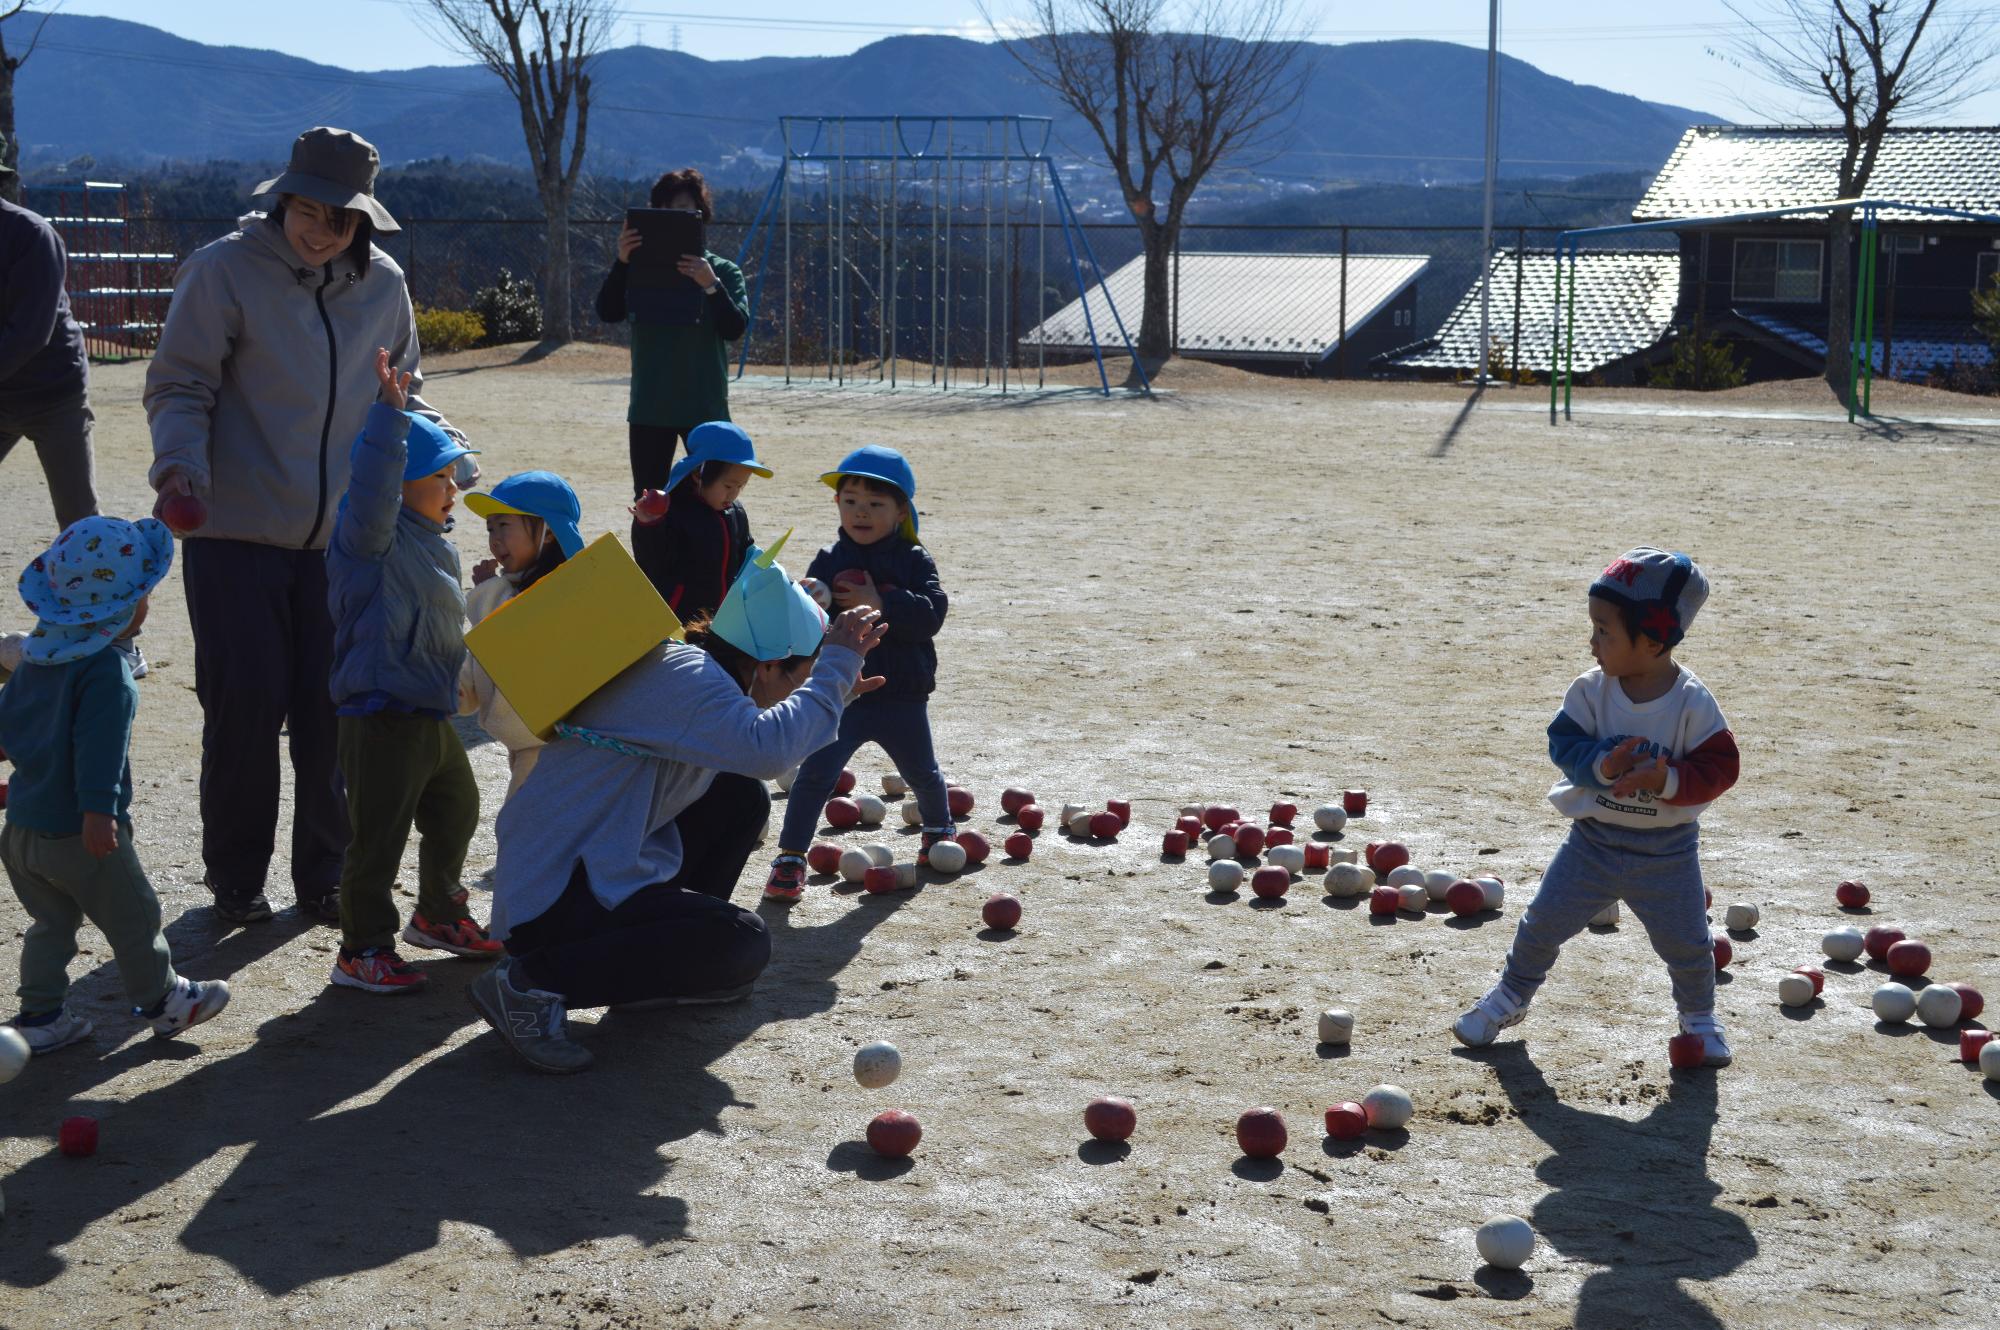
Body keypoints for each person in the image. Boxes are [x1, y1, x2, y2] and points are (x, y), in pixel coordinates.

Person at [145, 126, 467, 928]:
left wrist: (448, 457)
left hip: (348, 547)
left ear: (363, 220)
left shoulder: (384, 285)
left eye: (343, 217)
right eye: (310, 210)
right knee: (245, 711)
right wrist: (181, 464)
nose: (323, 230)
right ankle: (236, 881)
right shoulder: (223, 270)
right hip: (235, 534)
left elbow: (407, 391)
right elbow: (180, 383)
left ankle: (324, 876)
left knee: (338, 719)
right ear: (284, 197)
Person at [470, 540, 888, 1073]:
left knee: (738, 799)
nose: (797, 692)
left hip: (575, 878)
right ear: (765, 666)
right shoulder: (688, 682)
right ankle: (530, 985)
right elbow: (769, 749)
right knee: (740, 943)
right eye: (797, 679)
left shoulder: (689, 671)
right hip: (551, 904)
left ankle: (649, 968)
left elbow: (757, 742)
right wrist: (837, 667)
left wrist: (836, 687)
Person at [1453, 548, 1740, 1065]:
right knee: (1541, 923)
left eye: (1605, 630)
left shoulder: (1692, 702)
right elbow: (1563, 745)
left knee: (1689, 946)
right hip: (1592, 843)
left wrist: (1669, 778)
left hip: (1667, 853)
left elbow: (1721, 768)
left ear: (1653, 639)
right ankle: (1512, 996)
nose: (1592, 642)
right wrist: (1603, 767)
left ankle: (1698, 1017)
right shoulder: (1590, 691)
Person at [0, 517, 231, 1055]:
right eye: (145, 595)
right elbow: (100, 751)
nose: (149, 603)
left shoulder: (33, 658)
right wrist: (99, 813)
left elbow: (6, 731)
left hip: (23, 830)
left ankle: (41, 1016)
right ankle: (166, 1002)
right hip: (80, 831)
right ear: (123, 607)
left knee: (50, 923)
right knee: (134, 916)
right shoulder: (107, 673)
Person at [323, 350, 498, 994]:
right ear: (401, 481)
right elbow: (372, 488)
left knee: (458, 806)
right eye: (443, 478)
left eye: (456, 476)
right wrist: (390, 422)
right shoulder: (369, 537)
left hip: (427, 711)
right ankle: (361, 950)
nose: (456, 489)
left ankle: (438, 913)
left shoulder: (435, 544)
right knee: (378, 838)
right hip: (379, 714)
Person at [763, 445, 952, 901]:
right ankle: (790, 859)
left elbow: (932, 614)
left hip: (900, 694)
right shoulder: (827, 559)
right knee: (814, 775)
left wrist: (883, 599)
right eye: (850, 501)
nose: (860, 512)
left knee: (922, 772)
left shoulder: (913, 559)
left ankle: (937, 832)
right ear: (837, 504)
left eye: (874, 504)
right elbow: (804, 628)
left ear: (901, 510)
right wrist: (808, 598)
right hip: (841, 696)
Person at [594, 168, 749, 595]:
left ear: (702, 215)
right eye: (666, 212)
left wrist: (710, 285)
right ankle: (652, 589)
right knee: (650, 505)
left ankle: (724, 580)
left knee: (721, 495)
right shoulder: (638, 270)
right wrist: (623, 260)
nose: (678, 218)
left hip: (706, 408)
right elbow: (606, 310)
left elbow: (735, 328)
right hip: (651, 407)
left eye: (686, 210)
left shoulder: (724, 271)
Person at [0, 155, 109, 647]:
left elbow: (29, 332)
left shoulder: (30, 234)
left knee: (79, 518)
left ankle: (114, 636)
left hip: (53, 391)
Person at [459, 470, 585, 801]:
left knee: (527, 837)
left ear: (547, 534)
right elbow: (487, 658)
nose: (494, 538)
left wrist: (489, 590)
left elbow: (513, 634)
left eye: (504, 525)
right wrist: (463, 689)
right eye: (490, 528)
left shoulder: (566, 592)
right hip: (530, 748)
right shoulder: (513, 588)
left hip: (556, 749)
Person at [640, 420, 769, 621]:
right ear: (697, 474)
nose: (733, 495)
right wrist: (649, 525)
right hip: (681, 620)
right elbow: (652, 562)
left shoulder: (735, 512)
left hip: (723, 619)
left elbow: (745, 553)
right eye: (728, 486)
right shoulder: (674, 512)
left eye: (741, 487)